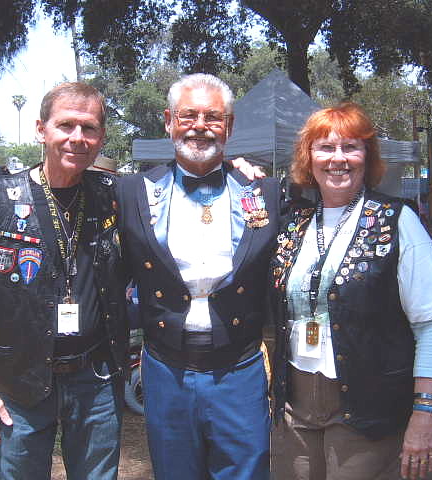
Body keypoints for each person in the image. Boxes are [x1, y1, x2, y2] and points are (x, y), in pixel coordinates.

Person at [0, 82, 128, 480]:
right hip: (19, 381)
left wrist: (232, 166)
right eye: (66, 125)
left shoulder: (115, 195)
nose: (78, 138)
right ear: (42, 129)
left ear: (102, 136)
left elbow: (178, 179)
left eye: (89, 128)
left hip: (95, 380)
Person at [269, 103, 432, 480]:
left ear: (367, 156)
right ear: (309, 157)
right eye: (325, 147)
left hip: (367, 406)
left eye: (350, 147)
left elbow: (431, 323)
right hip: (296, 406)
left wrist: (424, 412)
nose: (338, 158)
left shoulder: (397, 221)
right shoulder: (293, 225)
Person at [116, 73, 279, 480]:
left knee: (246, 472)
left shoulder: (266, 192)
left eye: (213, 116)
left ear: (230, 126)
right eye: (189, 115)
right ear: (169, 120)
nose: (200, 126)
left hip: (239, 366)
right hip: (165, 365)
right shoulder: (131, 191)